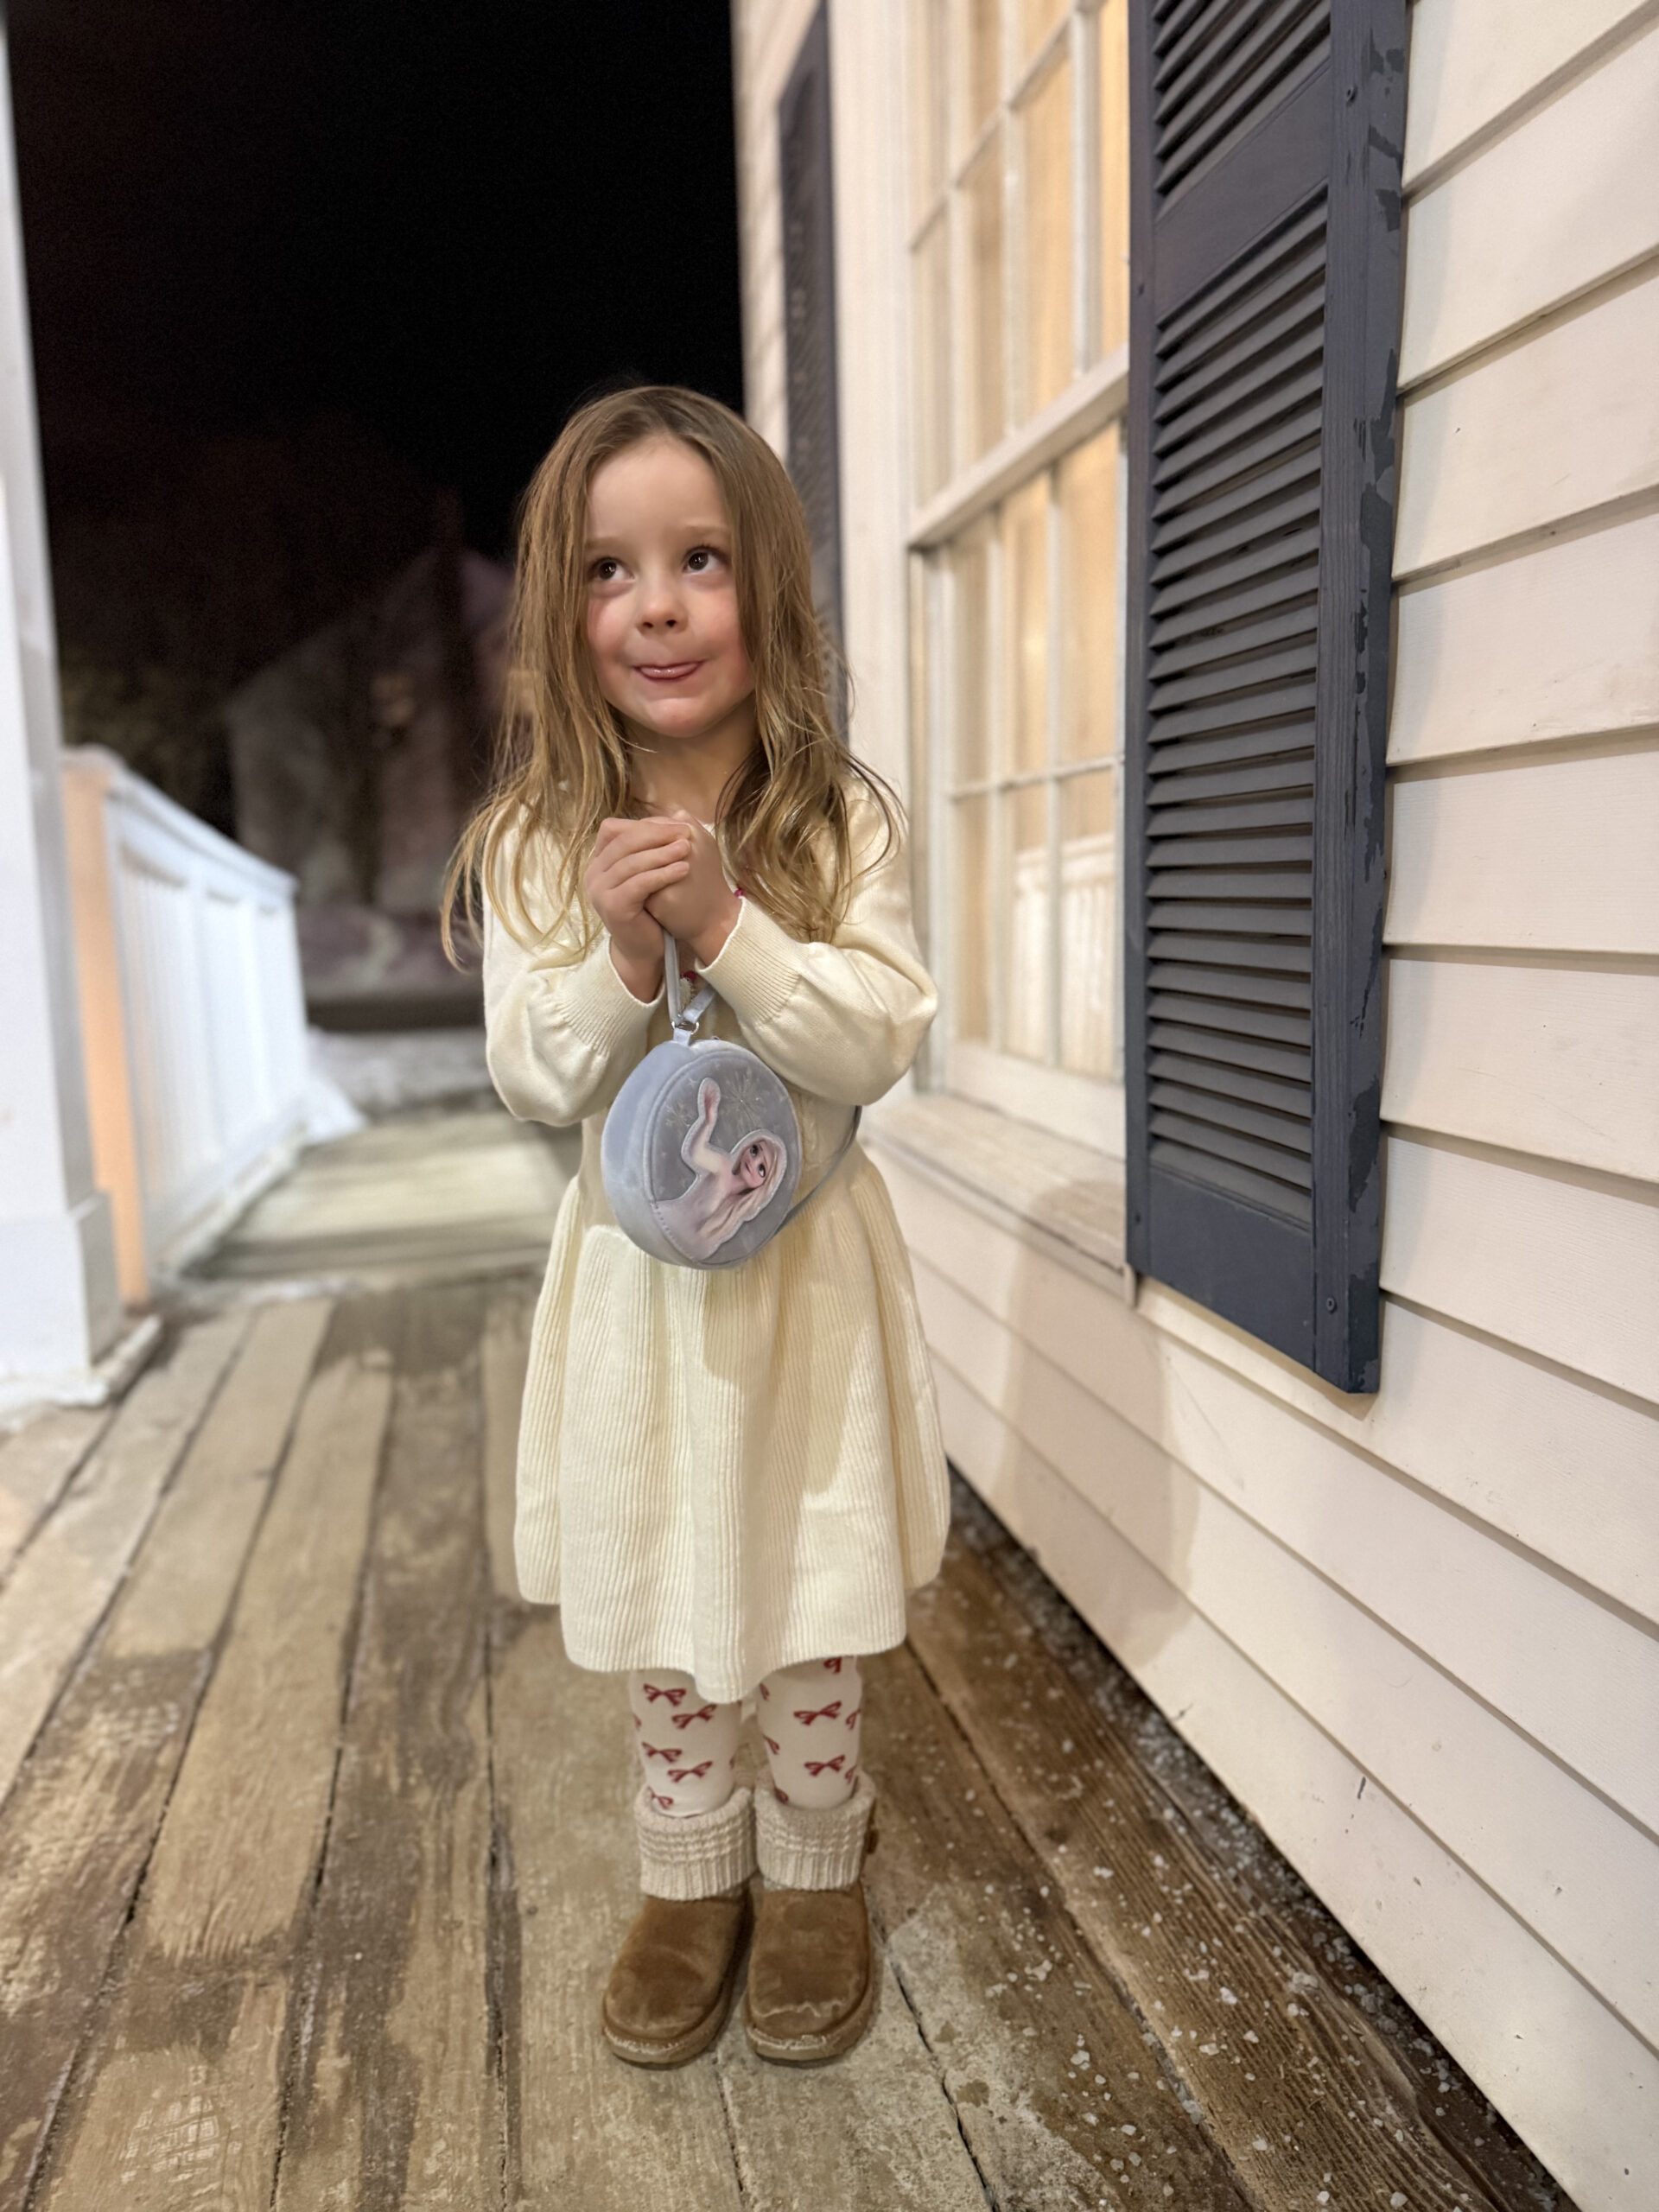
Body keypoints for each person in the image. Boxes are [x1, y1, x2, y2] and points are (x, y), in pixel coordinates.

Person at [446, 385, 950, 2069]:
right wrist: (621, 954)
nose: (655, 606)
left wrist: (731, 921)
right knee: (668, 1570)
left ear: (770, 586)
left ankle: (814, 1859)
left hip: (805, 1280)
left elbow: (875, 1040)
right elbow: (536, 1075)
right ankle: (688, 1870)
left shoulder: (834, 820)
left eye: (701, 560)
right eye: (611, 569)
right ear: (561, 605)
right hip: (644, 1295)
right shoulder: (541, 840)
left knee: (809, 1579)